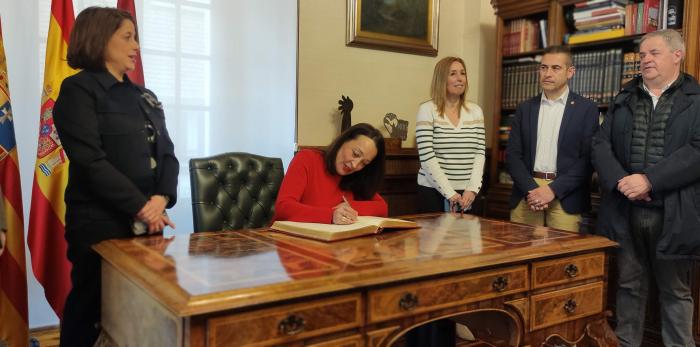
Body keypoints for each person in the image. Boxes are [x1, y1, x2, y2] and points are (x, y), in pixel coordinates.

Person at [53, 7, 179, 347]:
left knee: (139, 312)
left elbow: (167, 153)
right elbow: (91, 161)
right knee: (92, 310)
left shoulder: (144, 96)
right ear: (99, 39)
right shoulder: (78, 90)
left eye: (135, 37)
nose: (135, 45)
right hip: (99, 223)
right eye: (127, 37)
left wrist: (161, 199)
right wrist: (142, 206)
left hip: (147, 222)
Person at [592, 29, 700, 347]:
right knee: (627, 286)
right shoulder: (625, 97)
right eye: (642, 55)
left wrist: (649, 180)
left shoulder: (696, 101)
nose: (645, 60)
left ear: (677, 55)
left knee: (676, 293)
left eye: (653, 53)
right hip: (625, 211)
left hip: (673, 212)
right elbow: (600, 144)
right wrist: (622, 183)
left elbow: (697, 151)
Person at [505, 45, 599, 232]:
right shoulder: (525, 108)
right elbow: (513, 155)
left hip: (566, 194)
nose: (548, 73)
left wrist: (552, 190)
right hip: (527, 191)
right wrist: (532, 190)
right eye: (543, 67)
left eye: (555, 68)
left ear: (570, 72)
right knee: (521, 254)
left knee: (560, 258)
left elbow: (587, 160)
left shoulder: (586, 109)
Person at [272, 123, 388, 224]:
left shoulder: (356, 176)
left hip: (331, 245)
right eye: (355, 154)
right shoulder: (307, 159)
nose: (355, 165)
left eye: (364, 163)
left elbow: (382, 207)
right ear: (343, 140)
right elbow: (283, 208)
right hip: (285, 242)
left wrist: (350, 207)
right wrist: (330, 215)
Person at [415, 56, 486, 214]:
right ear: (441, 79)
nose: (460, 78)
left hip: (469, 194)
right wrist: (450, 193)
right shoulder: (427, 110)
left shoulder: (476, 111)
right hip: (433, 193)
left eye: (463, 73)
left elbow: (480, 153)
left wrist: (472, 189)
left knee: (469, 239)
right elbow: (427, 157)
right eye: (453, 73)